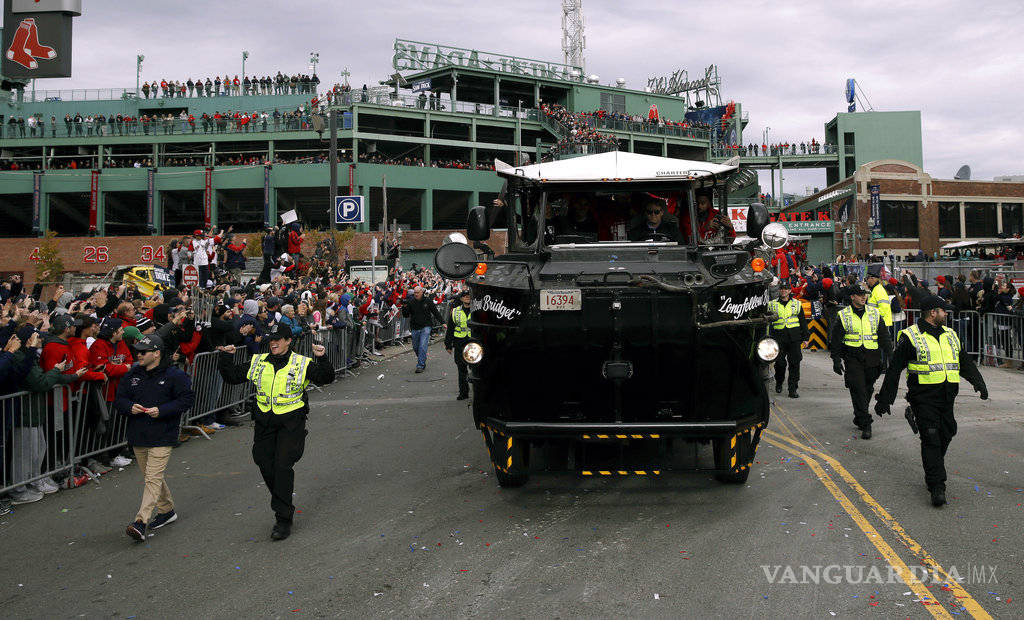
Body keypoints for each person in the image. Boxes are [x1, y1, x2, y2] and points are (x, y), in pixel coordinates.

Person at [215, 324, 335, 540]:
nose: (273, 343)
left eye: (278, 339)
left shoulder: (301, 363)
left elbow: (326, 378)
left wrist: (323, 358)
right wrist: (227, 357)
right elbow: (232, 376)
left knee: (282, 465)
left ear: (288, 341)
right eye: (271, 339)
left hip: (291, 422)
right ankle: (283, 503)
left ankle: (283, 518)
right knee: (263, 461)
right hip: (264, 421)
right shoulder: (258, 361)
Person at [875, 295, 988, 507]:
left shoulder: (951, 335)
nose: (947, 313)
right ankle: (937, 486)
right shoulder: (910, 337)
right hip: (923, 397)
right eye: (943, 310)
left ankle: (933, 468)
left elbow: (964, 362)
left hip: (947, 396)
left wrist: (979, 384)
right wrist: (885, 399)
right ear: (933, 313)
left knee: (947, 432)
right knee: (932, 438)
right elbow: (894, 369)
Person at [114, 335, 195, 541]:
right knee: (152, 477)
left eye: (143, 351)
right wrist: (128, 407)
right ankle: (167, 510)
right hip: (138, 434)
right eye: (137, 351)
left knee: (152, 477)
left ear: (157, 353)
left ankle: (141, 522)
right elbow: (119, 399)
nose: (138, 355)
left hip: (163, 434)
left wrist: (162, 410)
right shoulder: (133, 374)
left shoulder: (174, 375)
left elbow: (187, 399)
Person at [829, 284, 892, 439]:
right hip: (853, 356)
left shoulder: (874, 313)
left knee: (867, 389)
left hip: (872, 357)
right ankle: (866, 423)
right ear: (852, 297)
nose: (864, 297)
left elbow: (884, 336)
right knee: (858, 389)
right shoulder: (844, 315)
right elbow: (836, 340)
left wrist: (891, 355)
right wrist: (836, 360)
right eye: (860, 294)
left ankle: (859, 416)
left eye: (865, 294)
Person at [767, 282, 808, 398]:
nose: (784, 291)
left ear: (790, 291)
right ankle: (779, 382)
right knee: (780, 364)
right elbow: (768, 323)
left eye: (786, 289)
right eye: (782, 289)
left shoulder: (797, 304)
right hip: (778, 338)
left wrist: (806, 338)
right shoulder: (772, 305)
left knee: (795, 364)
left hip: (794, 338)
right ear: (779, 290)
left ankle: (793, 389)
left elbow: (803, 322)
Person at [401, 286, 443, 373]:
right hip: (415, 327)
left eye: (417, 293)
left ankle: (420, 365)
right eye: (414, 293)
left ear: (422, 292)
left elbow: (435, 312)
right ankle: (422, 358)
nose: (416, 294)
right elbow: (406, 315)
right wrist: (404, 306)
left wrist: (443, 322)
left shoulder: (427, 301)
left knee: (422, 345)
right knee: (416, 347)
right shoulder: (411, 302)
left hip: (426, 326)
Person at [444, 289, 473, 401]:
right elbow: (451, 328)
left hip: (473, 342)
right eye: (465, 296)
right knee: (461, 368)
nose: (467, 297)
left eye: (468, 296)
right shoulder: (455, 311)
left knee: (475, 368)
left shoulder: (476, 310)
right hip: (459, 342)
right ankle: (463, 392)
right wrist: (448, 344)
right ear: (461, 299)